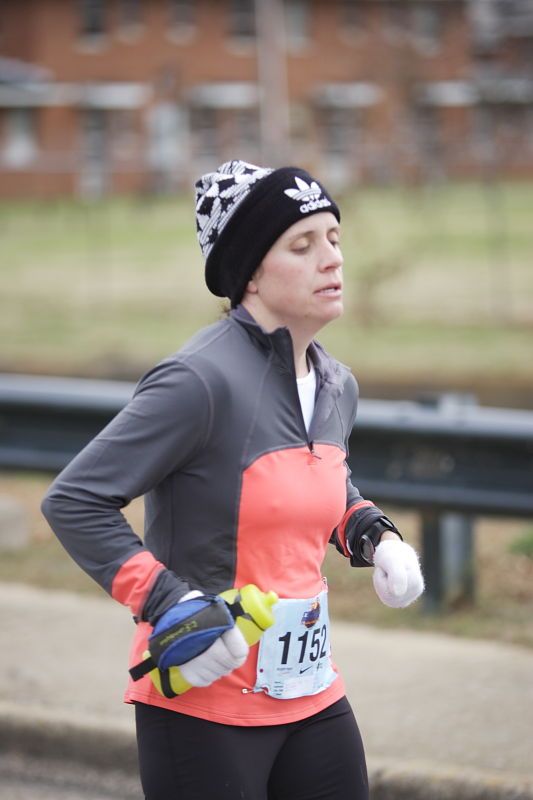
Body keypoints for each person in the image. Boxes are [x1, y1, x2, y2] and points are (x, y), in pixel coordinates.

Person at [42, 159, 424, 800]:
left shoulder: (336, 385)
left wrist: (373, 534)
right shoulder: (198, 381)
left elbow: (318, 486)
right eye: (302, 246)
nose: (330, 259)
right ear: (248, 272)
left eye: (334, 239)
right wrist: (171, 604)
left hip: (310, 691)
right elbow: (75, 500)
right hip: (204, 699)